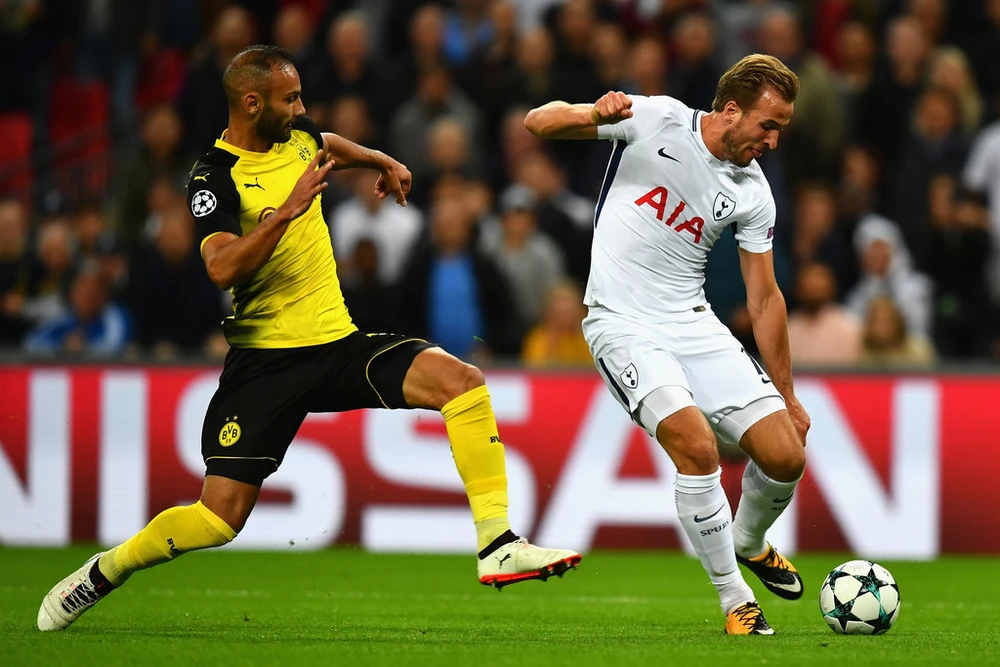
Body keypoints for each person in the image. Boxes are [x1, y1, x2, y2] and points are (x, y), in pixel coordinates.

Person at [37, 45, 580, 633]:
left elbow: (329, 146)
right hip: (267, 364)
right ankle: (105, 571)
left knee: (462, 381)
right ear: (252, 103)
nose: (302, 108)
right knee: (219, 520)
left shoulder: (298, 136)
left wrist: (379, 159)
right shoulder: (212, 178)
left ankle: (497, 544)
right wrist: (285, 211)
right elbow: (221, 268)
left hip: (337, 344)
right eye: (289, 98)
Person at [524, 53, 810, 635]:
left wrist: (789, 396)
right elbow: (538, 122)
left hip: (692, 323)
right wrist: (594, 111)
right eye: (769, 125)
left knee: (787, 453)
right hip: (621, 323)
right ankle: (736, 602)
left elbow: (765, 299)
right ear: (731, 110)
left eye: (781, 129)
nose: (774, 141)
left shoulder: (754, 192)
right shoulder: (655, 119)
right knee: (697, 446)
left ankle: (749, 541)